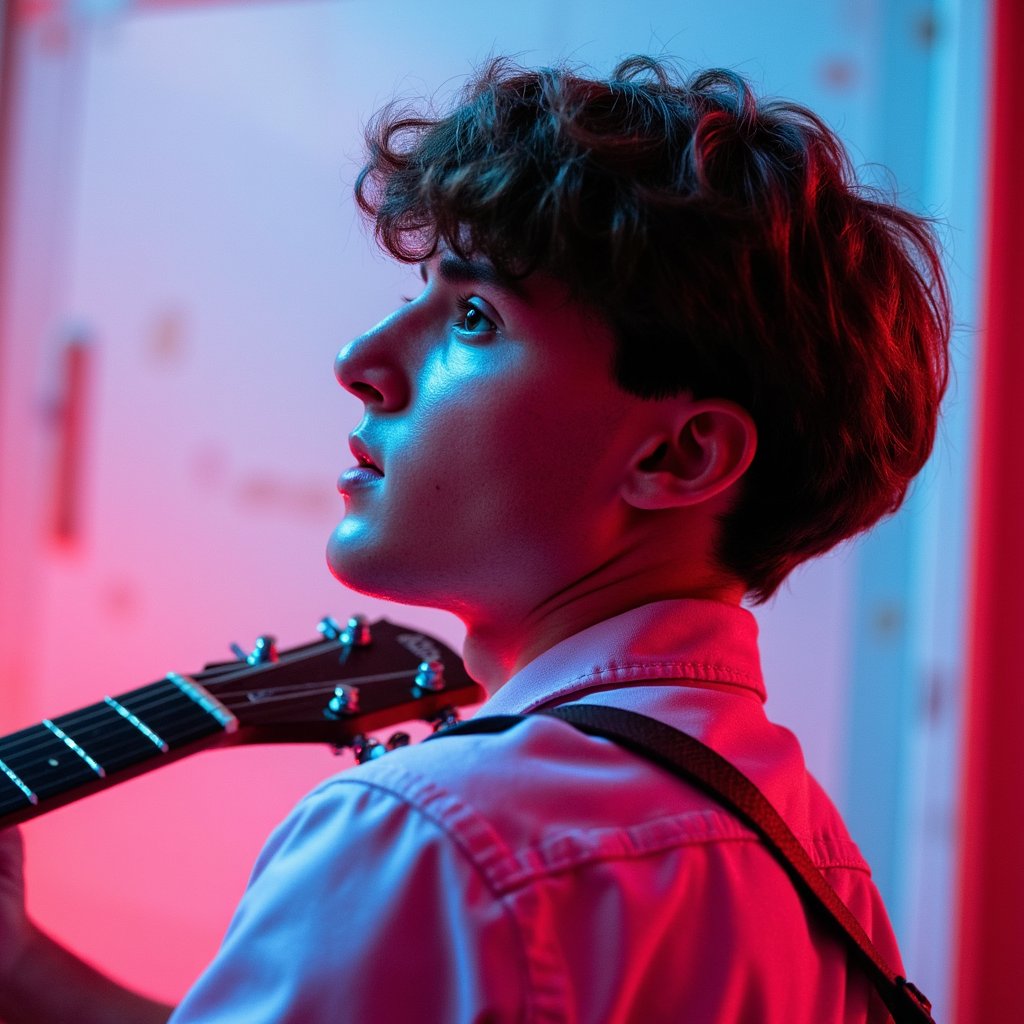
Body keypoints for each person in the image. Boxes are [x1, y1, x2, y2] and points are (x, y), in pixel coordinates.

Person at [0, 54, 950, 1023]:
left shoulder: (429, 834)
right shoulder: (817, 863)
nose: (360, 360)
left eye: (472, 316)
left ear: (680, 452)